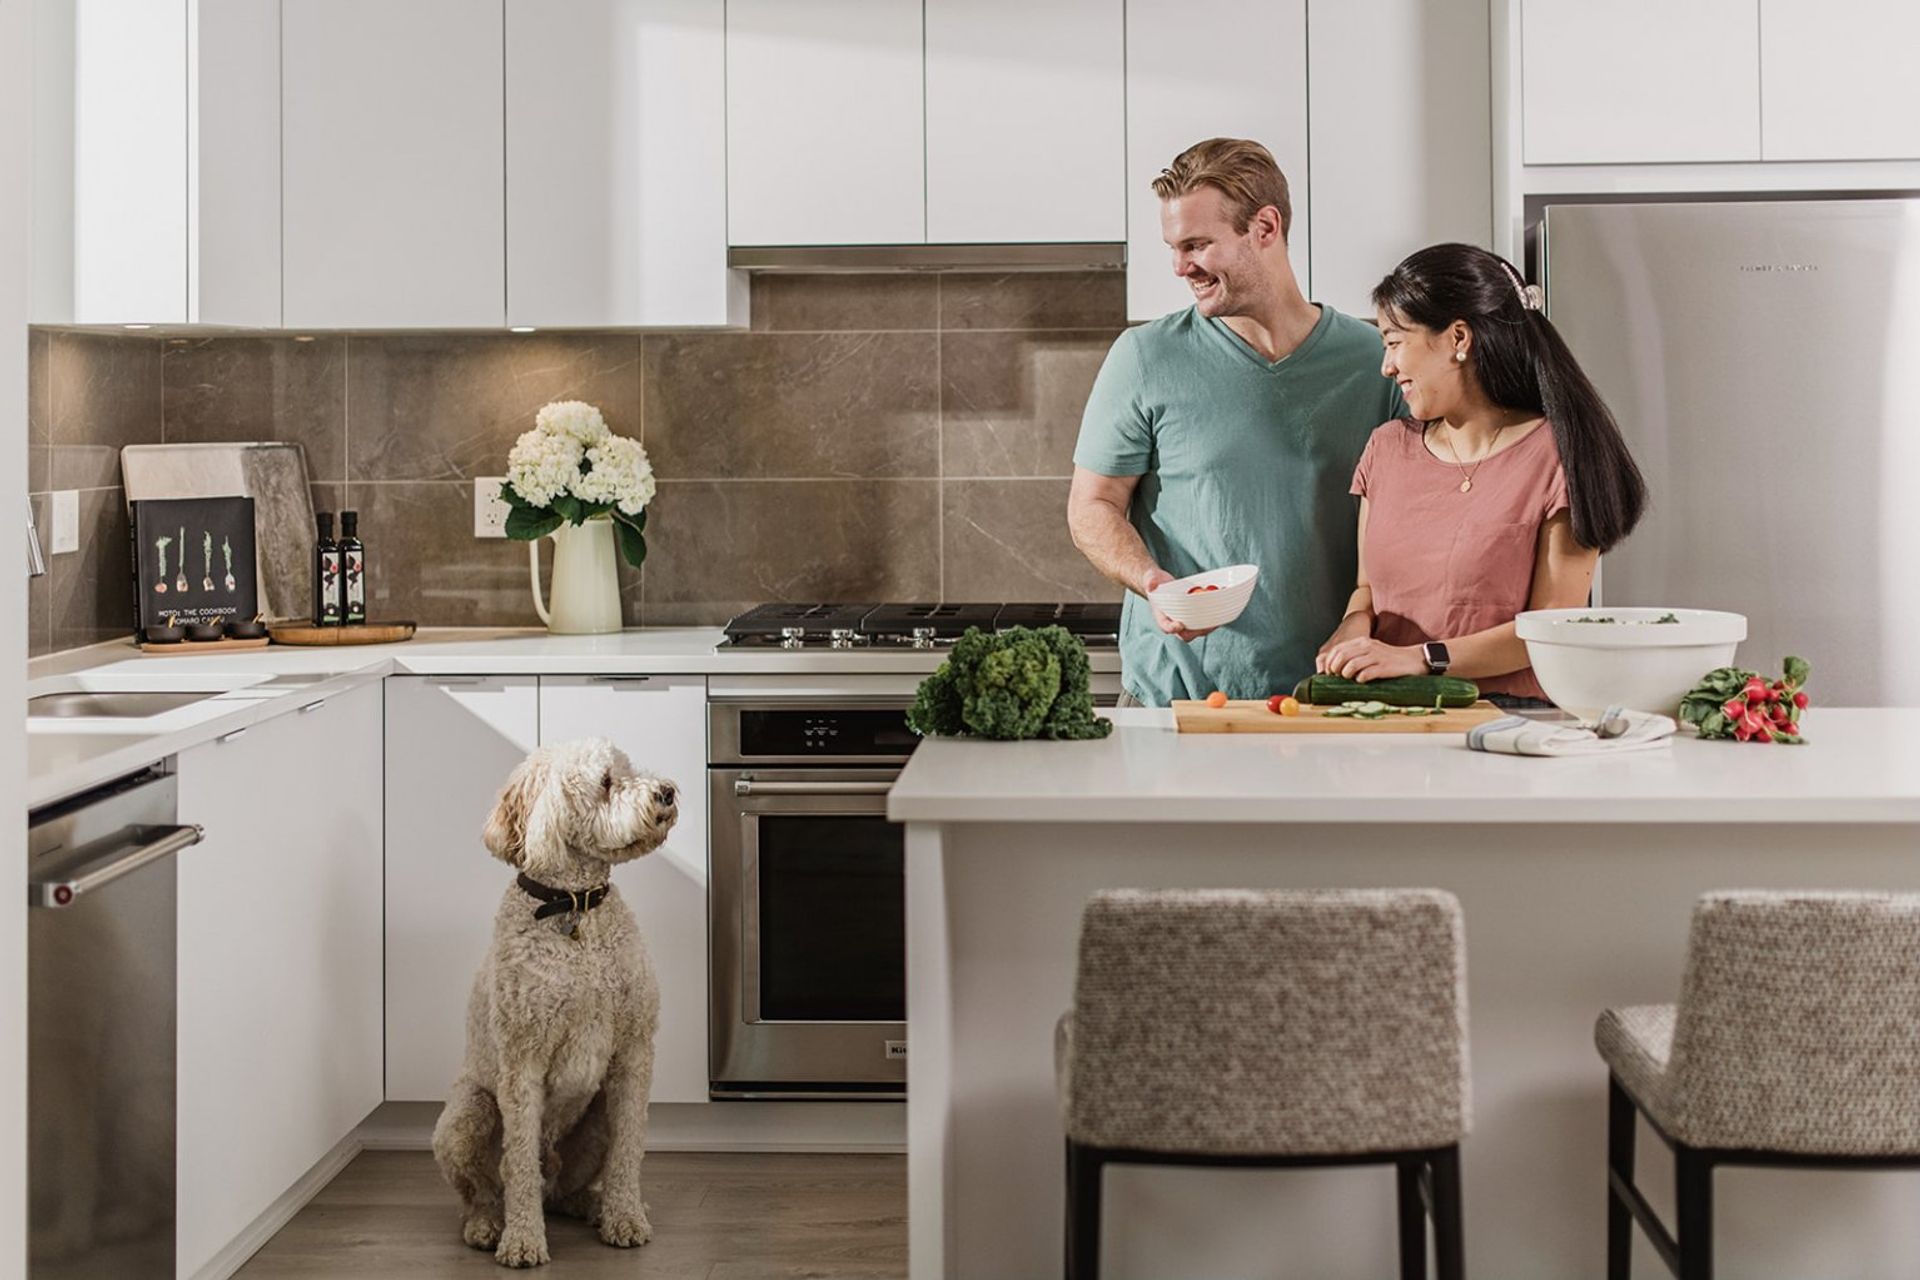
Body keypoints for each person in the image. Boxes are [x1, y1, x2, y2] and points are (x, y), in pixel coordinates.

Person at [1068, 138, 1406, 706]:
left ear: (1266, 227)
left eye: (1197, 244)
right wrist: (1153, 583)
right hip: (1178, 697)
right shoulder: (1145, 357)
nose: (1180, 267)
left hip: (1333, 694)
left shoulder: (1378, 360)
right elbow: (1091, 505)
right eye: (1173, 248)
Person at [1315, 243, 1647, 708]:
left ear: (1458, 339)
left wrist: (1419, 658)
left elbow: (1550, 627)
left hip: (1511, 721)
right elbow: (1367, 589)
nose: (1386, 367)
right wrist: (1353, 627)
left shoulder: (1557, 455)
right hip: (1388, 714)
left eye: (1393, 342)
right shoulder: (1386, 449)